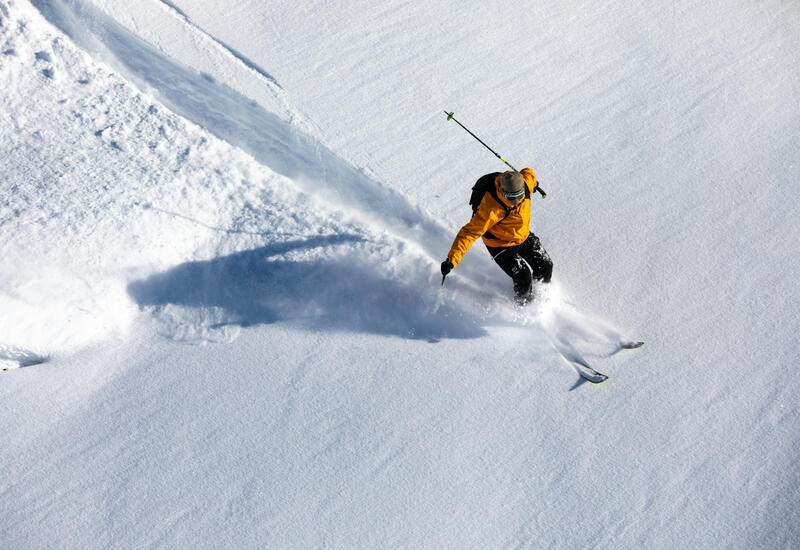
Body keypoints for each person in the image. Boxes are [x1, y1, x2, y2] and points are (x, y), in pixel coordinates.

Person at [440, 169, 552, 305]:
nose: (516, 201)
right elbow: (468, 233)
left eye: (519, 196)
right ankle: (524, 306)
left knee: (545, 265)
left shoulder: (526, 184)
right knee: (523, 276)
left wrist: (535, 183)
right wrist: (451, 260)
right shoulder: (492, 209)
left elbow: (529, 173)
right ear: (504, 192)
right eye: (511, 197)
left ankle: (542, 296)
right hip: (501, 245)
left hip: (522, 236)